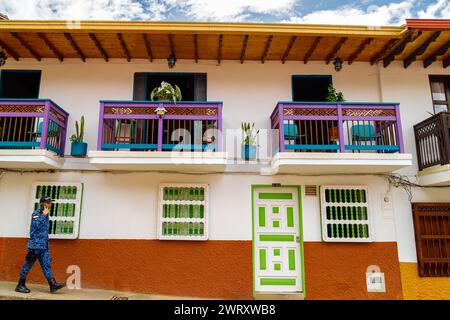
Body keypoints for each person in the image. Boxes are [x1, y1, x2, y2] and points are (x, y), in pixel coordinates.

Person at [15, 196, 65, 294]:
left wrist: (47, 245)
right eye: (48, 202)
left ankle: (52, 284)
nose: (50, 204)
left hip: (44, 246)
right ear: (42, 204)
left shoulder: (46, 215)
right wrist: (43, 215)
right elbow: (36, 226)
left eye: (50, 202)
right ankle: (20, 285)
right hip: (35, 246)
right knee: (28, 264)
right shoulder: (36, 214)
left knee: (46, 265)